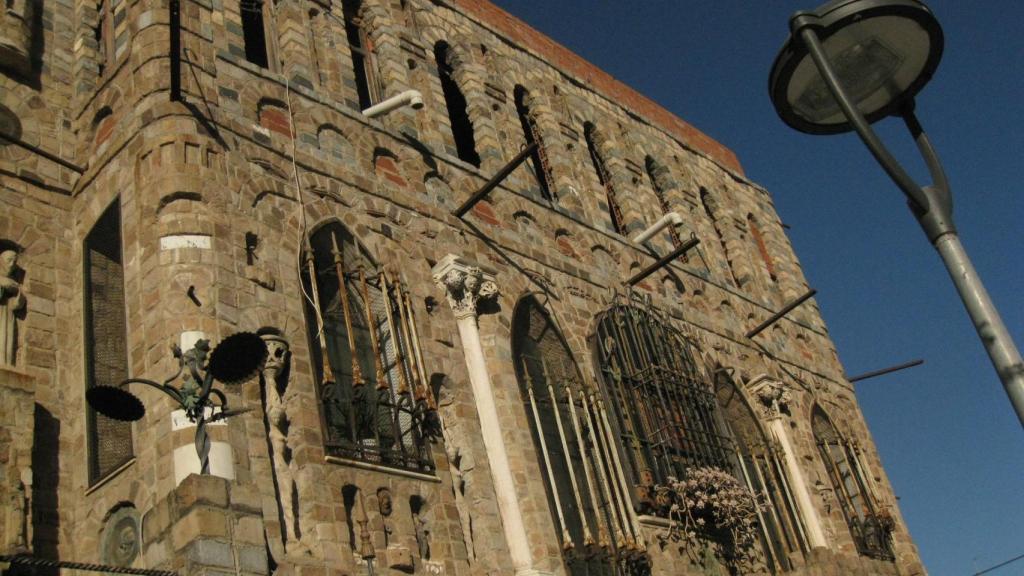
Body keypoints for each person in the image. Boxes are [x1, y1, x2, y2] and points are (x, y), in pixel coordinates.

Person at [0, 249, 25, 366]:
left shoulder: (13, 282)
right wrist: (2, 284)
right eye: (9, 260)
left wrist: (17, 293)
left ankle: (6, 365)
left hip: (6, 313)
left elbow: (16, 304)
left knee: (6, 338)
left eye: (14, 262)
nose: (11, 265)